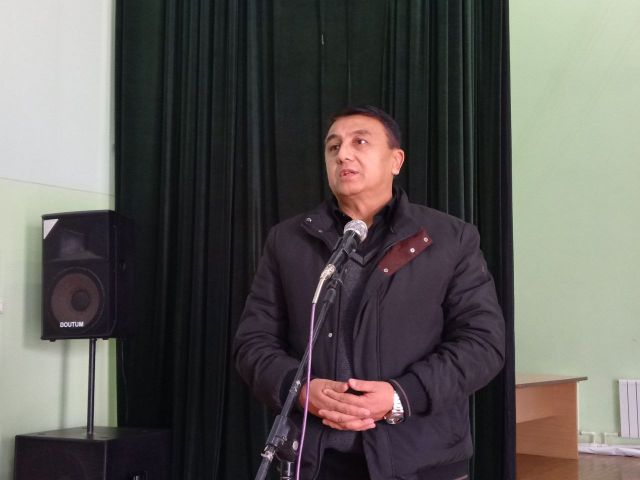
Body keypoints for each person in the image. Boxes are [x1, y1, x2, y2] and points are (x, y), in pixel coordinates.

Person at [234, 105, 505, 480]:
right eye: (333, 147)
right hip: (315, 460)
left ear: (396, 160)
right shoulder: (288, 241)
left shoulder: (450, 238)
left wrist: (400, 396)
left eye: (359, 142)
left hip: (423, 459)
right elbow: (253, 342)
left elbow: (483, 343)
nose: (343, 154)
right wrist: (300, 389)